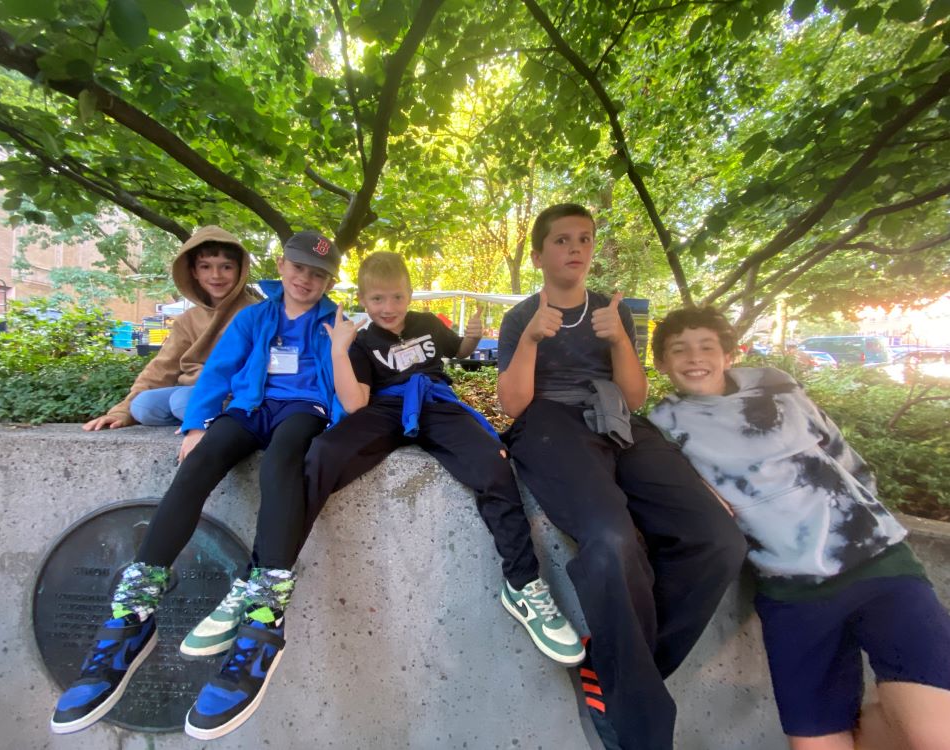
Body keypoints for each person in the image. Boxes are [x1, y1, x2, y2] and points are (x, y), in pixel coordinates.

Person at [50, 231, 345, 740]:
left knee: (283, 462)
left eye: (318, 274)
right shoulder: (255, 317)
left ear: (329, 280)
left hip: (303, 411)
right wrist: (195, 425)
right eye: (298, 269)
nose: (306, 280)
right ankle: (132, 613)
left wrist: (341, 425)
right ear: (282, 265)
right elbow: (217, 374)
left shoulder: (333, 322)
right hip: (249, 408)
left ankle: (264, 617)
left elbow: (346, 378)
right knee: (201, 461)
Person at [495, 203, 747, 750]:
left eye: (583, 238)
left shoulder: (614, 311)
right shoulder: (519, 317)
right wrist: (533, 340)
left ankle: (620, 668)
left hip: (616, 421)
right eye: (561, 240)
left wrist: (619, 340)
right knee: (610, 539)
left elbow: (634, 397)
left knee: (720, 539)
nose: (576, 249)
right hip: (547, 424)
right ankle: (638, 727)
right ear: (538, 255)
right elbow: (513, 404)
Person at [649, 306, 950, 750]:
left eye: (706, 346)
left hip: (877, 565)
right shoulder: (663, 427)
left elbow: (843, 455)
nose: (695, 358)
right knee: (816, 744)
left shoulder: (779, 389)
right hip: (791, 591)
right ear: (661, 363)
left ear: (729, 354)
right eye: (680, 350)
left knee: (931, 736)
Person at [302, 250, 584, 666]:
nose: (388, 308)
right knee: (323, 453)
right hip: (383, 407)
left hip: (437, 404)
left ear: (411, 295)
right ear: (363, 299)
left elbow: (459, 350)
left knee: (493, 462)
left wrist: (471, 335)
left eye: (397, 298)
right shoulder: (360, 341)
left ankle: (523, 584)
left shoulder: (428, 325)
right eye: (377, 299)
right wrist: (339, 352)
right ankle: (271, 575)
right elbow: (355, 402)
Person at [83, 225, 258, 430]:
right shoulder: (187, 319)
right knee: (142, 406)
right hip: (190, 391)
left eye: (226, 267)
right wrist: (122, 411)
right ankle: (199, 415)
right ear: (193, 272)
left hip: (229, 394)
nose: (216, 275)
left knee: (182, 402)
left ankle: (209, 418)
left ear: (241, 271)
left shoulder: (256, 313)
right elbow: (162, 367)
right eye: (205, 267)